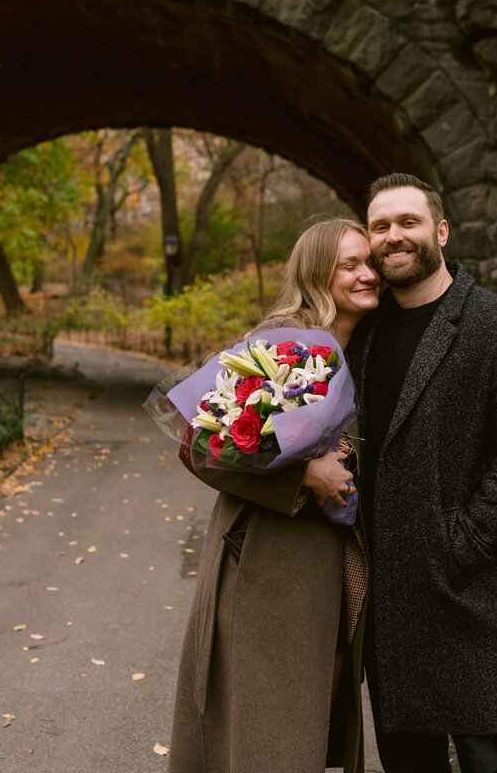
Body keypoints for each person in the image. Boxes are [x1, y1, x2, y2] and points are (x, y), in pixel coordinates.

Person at [348, 174, 497, 773]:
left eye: (408, 222)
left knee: (489, 755)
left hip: (468, 589)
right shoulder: (360, 334)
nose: (394, 237)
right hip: (388, 597)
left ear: (440, 231)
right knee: (408, 759)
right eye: (381, 226)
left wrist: (460, 543)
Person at [168, 217, 379, 773]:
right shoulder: (281, 344)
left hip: (333, 559)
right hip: (267, 559)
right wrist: (303, 475)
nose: (366, 274)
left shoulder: (372, 342)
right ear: (316, 272)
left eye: (369, 262)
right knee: (267, 727)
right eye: (349, 265)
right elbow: (199, 445)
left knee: (307, 723)